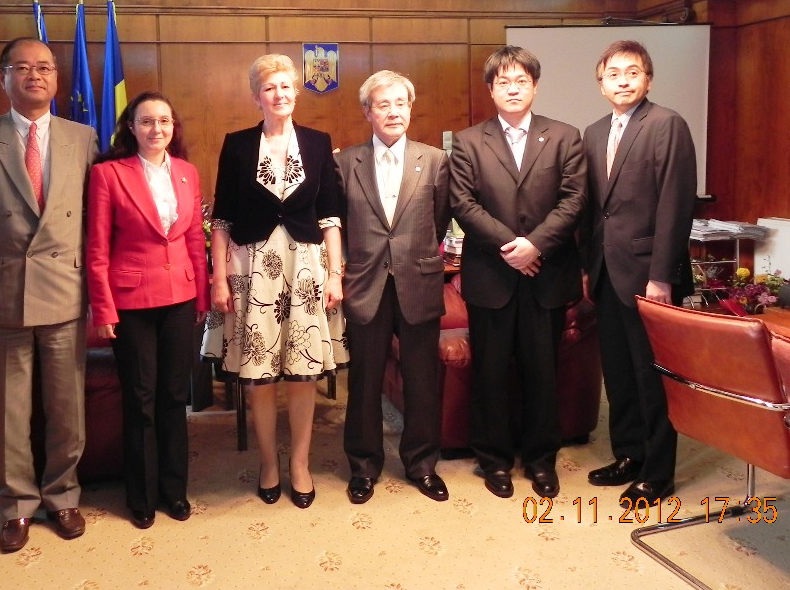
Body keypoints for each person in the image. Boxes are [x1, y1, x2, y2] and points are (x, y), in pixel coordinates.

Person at [0, 37, 98, 552]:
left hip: (64, 287)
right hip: (4, 288)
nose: (35, 75)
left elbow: (93, 212)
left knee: (66, 406)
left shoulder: (82, 137)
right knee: (9, 409)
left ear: (56, 78)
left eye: (45, 68)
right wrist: (1, 248)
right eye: (22, 67)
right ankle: (17, 506)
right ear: (3, 77)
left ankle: (63, 495)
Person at [201, 54, 346, 509]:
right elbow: (222, 218)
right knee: (259, 377)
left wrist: (336, 274)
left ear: (296, 93)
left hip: (306, 271)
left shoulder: (318, 143)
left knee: (303, 374)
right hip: (251, 272)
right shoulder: (237, 145)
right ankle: (268, 463)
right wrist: (218, 279)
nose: (279, 94)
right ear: (256, 97)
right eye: (269, 88)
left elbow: (330, 216)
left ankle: (300, 464)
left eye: (286, 86)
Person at [449, 46, 586, 500]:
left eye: (521, 81)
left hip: (546, 275)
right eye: (503, 82)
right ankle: (494, 460)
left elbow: (574, 199)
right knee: (489, 374)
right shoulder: (469, 141)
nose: (513, 89)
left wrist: (535, 245)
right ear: (491, 90)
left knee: (542, 372)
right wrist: (512, 247)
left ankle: (541, 460)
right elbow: (463, 203)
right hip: (492, 275)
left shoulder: (564, 136)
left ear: (535, 86)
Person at [86, 91, 210, 529]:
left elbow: (194, 238)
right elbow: (97, 247)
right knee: (140, 399)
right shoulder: (108, 174)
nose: (157, 129)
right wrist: (103, 309)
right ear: (131, 127)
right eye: (146, 121)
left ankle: (174, 490)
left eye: (164, 121)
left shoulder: (187, 173)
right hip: (131, 302)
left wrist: (202, 295)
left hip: (180, 298)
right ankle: (140, 495)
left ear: (174, 127)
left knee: (175, 397)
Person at [583, 40, 696, 507]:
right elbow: (594, 209)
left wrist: (662, 275)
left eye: (633, 72)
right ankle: (628, 455)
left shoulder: (667, 124)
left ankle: (658, 472)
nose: (623, 81)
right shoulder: (593, 133)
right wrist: (588, 267)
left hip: (650, 275)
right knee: (618, 373)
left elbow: (676, 203)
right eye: (613, 74)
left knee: (652, 377)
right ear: (601, 83)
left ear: (648, 79)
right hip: (606, 272)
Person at [335, 70, 451, 505]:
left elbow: (439, 218)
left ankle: (422, 465)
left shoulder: (435, 160)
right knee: (364, 382)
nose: (393, 112)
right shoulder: (345, 162)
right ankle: (363, 467)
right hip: (366, 283)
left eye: (400, 103)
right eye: (383, 104)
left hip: (418, 280)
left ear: (410, 108)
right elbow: (338, 223)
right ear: (368, 112)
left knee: (422, 380)